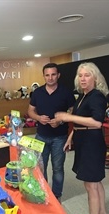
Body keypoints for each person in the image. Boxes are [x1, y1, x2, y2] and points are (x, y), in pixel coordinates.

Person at [54, 62, 109, 214]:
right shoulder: (83, 96)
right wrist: (71, 136)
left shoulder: (96, 96)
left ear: (95, 77)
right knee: (94, 182)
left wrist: (68, 117)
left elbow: (97, 122)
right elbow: (81, 122)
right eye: (80, 75)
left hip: (92, 145)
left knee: (91, 185)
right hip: (84, 142)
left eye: (87, 75)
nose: (83, 79)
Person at [28, 62, 75, 201]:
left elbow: (72, 111)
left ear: (58, 75)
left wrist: (61, 120)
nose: (50, 78)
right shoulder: (37, 92)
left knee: (58, 168)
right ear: (43, 76)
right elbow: (30, 110)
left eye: (53, 74)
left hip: (60, 137)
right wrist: (38, 117)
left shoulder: (66, 92)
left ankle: (56, 196)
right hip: (40, 136)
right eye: (47, 75)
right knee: (40, 168)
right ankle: (43, 192)